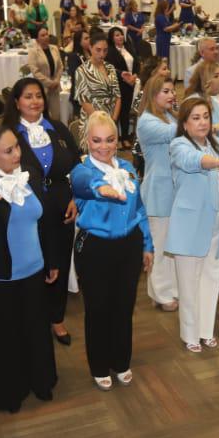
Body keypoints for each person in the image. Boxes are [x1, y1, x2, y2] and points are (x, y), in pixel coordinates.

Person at [0, 125, 59, 411]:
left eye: (16, 146)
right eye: (8, 151)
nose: (17, 153)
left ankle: (40, 382)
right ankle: (9, 393)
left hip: (33, 269)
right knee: (3, 338)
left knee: (36, 331)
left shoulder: (28, 172)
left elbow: (44, 221)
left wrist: (51, 260)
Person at [70, 112, 153, 390]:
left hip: (128, 245)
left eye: (109, 140)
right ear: (87, 140)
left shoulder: (128, 168)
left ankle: (121, 360)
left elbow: (139, 209)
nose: (103, 147)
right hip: (95, 248)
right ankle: (98, 364)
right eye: (96, 140)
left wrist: (147, 245)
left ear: (118, 140)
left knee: (123, 307)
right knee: (98, 309)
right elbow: (84, 185)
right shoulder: (82, 170)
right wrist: (102, 188)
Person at [2, 78, 80, 346]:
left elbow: (78, 165)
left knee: (59, 257)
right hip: (26, 210)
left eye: (38, 96)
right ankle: (32, 317)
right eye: (28, 97)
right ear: (16, 102)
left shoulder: (57, 129)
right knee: (33, 264)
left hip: (61, 206)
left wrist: (76, 197)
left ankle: (57, 318)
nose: (35, 101)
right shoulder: (8, 134)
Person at [165, 97, 219, 352]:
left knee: (211, 279)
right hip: (190, 225)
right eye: (195, 118)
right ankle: (190, 334)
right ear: (185, 124)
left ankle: (206, 330)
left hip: (217, 225)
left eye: (206, 117)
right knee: (189, 283)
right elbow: (192, 162)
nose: (202, 122)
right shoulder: (179, 145)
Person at [135, 74, 180, 312]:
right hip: (158, 190)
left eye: (173, 91)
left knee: (172, 245)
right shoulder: (147, 121)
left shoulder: (170, 116)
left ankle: (169, 289)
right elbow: (176, 133)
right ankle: (161, 293)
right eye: (166, 91)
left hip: (174, 189)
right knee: (160, 246)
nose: (172, 95)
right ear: (153, 95)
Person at [74, 32, 121, 120]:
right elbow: (84, 102)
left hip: (110, 117)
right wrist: (101, 121)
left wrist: (113, 120)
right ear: (90, 48)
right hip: (92, 119)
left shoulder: (110, 67)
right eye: (98, 50)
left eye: (105, 50)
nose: (102, 54)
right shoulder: (81, 70)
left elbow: (117, 97)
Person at [105, 27, 140, 145]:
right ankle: (118, 137)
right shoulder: (110, 51)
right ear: (111, 38)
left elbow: (137, 62)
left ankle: (125, 135)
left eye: (120, 35)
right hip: (118, 84)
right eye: (116, 35)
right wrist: (124, 77)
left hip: (131, 83)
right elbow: (110, 68)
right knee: (118, 112)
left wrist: (134, 75)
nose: (120, 37)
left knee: (126, 110)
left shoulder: (128, 47)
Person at [27, 26, 66, 110]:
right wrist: (49, 83)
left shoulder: (54, 48)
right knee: (43, 113)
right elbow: (35, 72)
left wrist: (56, 80)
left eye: (47, 34)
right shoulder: (33, 51)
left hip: (55, 86)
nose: (46, 37)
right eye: (42, 35)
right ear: (37, 39)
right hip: (42, 87)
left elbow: (60, 66)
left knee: (56, 114)